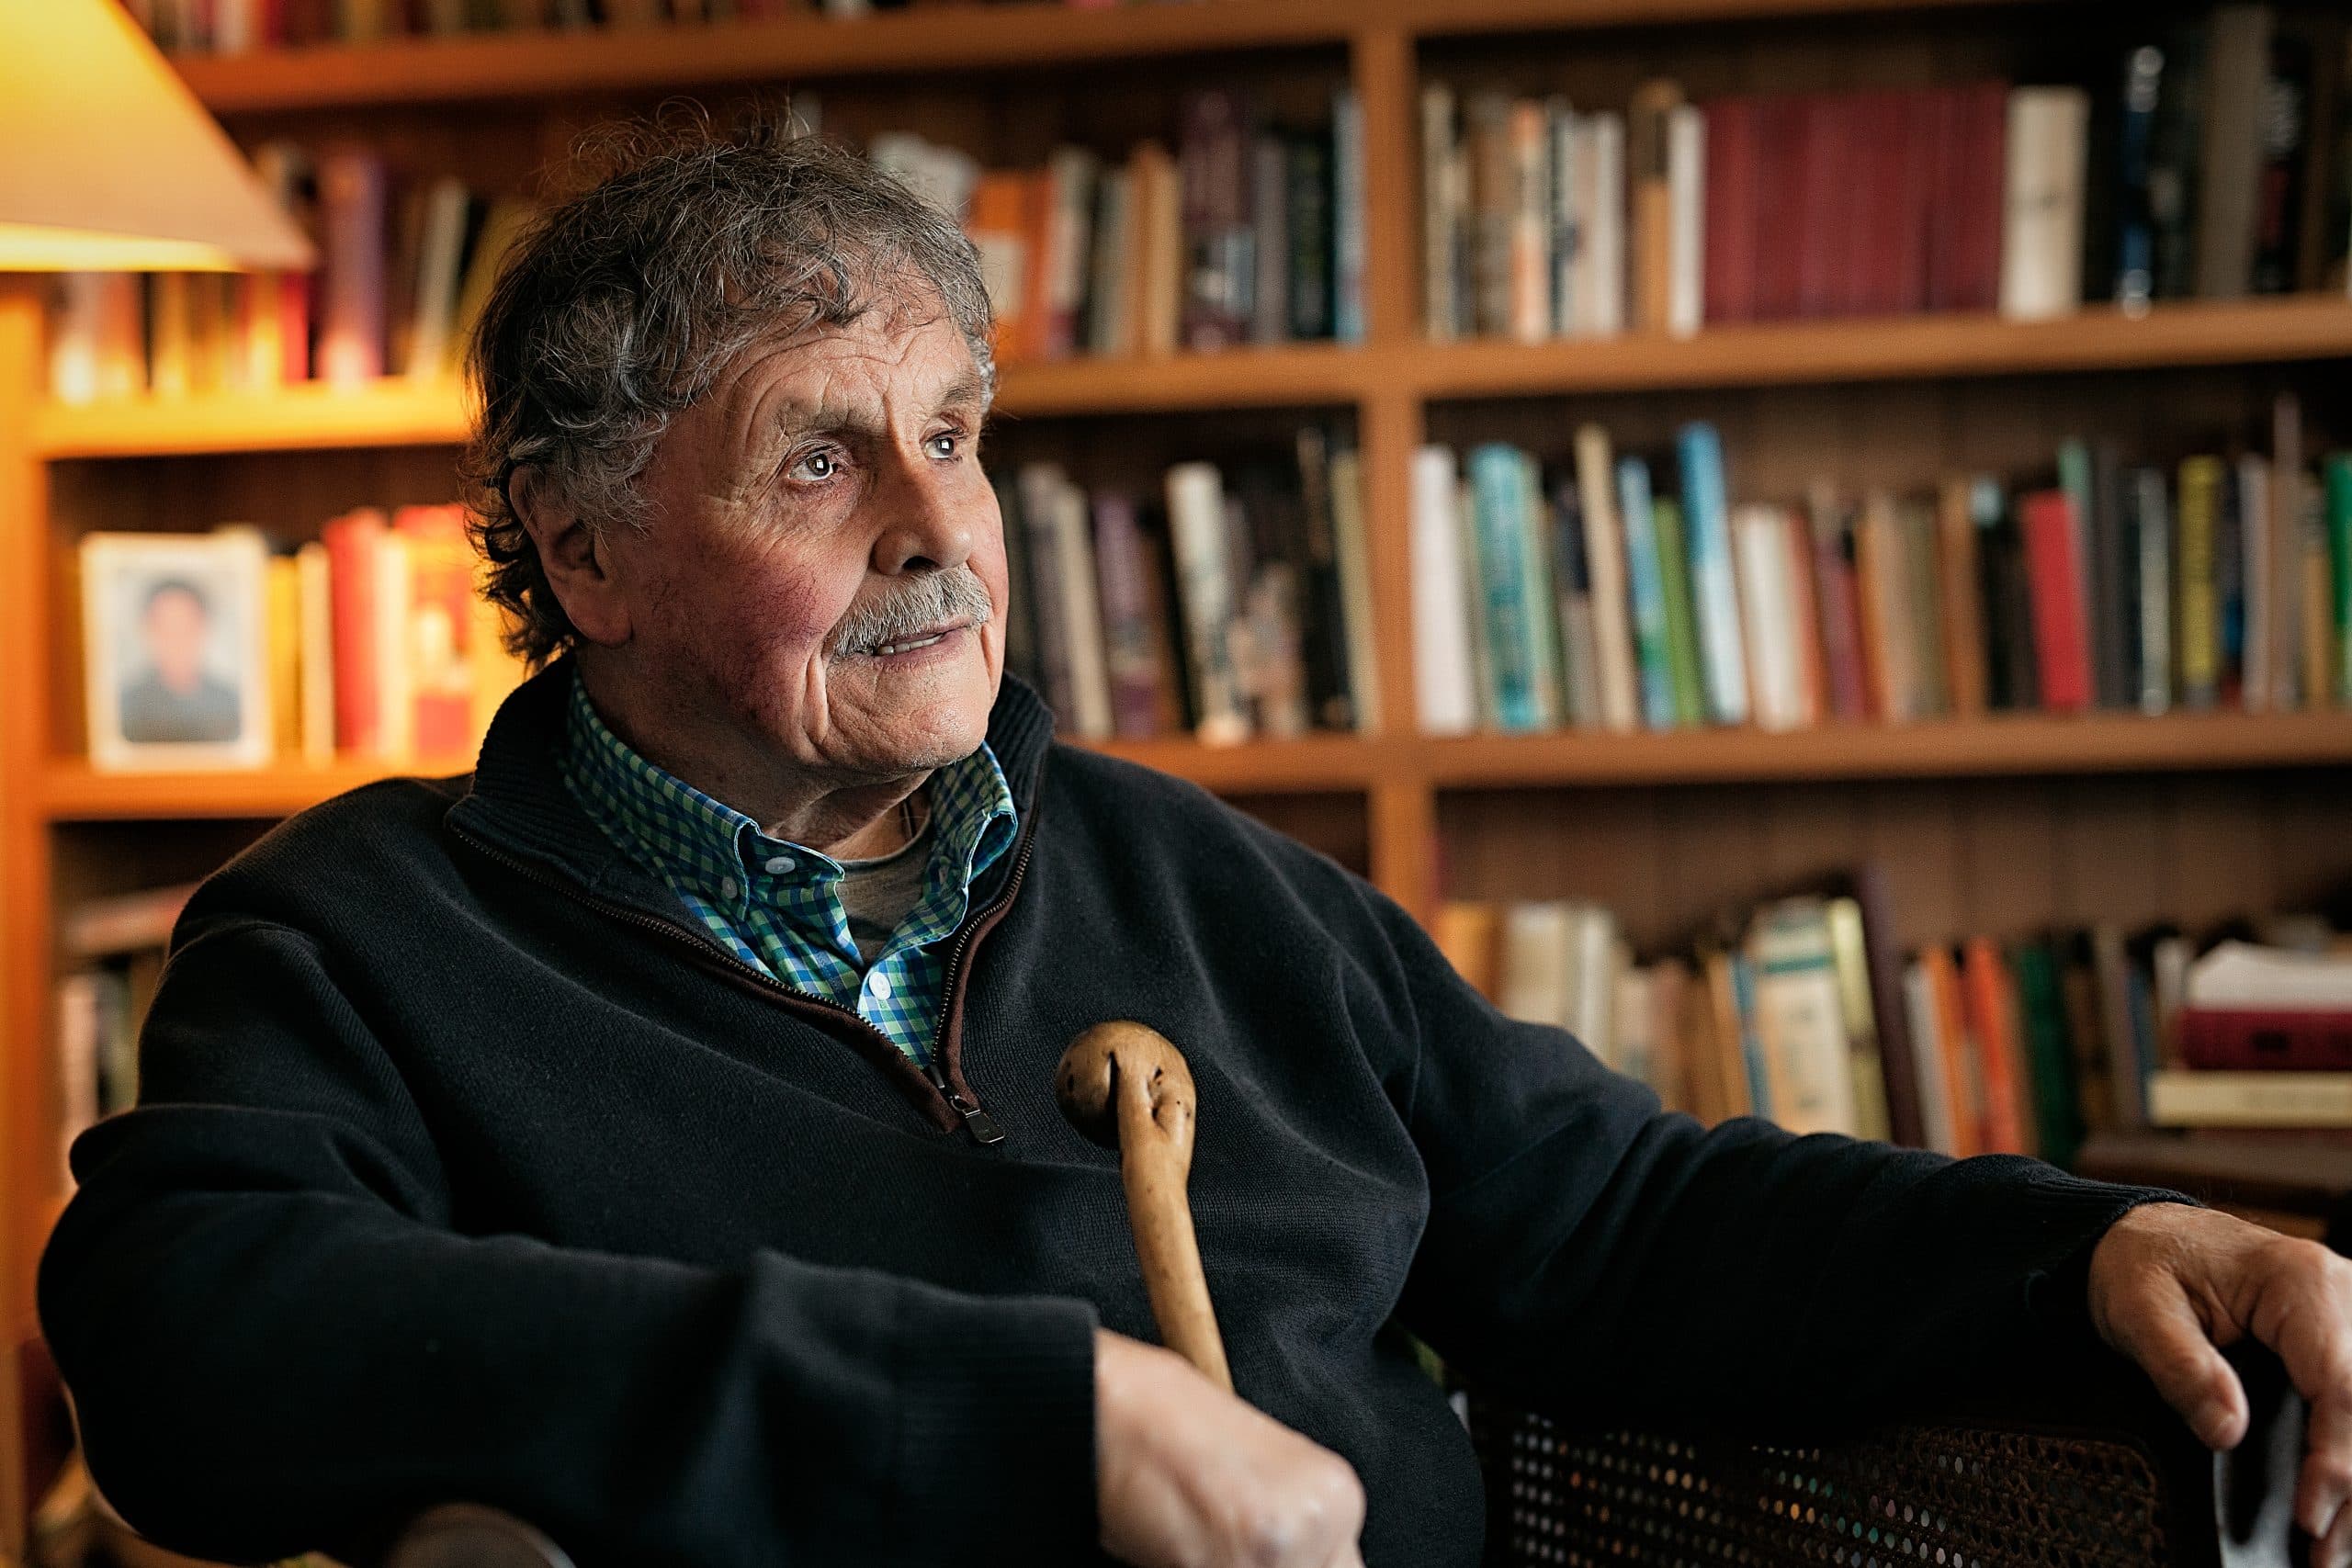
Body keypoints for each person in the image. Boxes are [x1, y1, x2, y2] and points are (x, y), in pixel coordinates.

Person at [39, 120, 2352, 1568]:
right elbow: (188, 1331)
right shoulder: (361, 935)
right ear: (587, 544)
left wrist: (2088, 1246)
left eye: (955, 430)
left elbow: (1622, 1215)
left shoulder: (1190, 876)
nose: (947, 526)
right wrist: (1001, 1415)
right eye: (821, 459)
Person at [116, 577, 241, 745]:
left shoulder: (229, 700)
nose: (176, 640)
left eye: (185, 626)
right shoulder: (127, 703)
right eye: (166, 628)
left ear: (204, 628)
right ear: (147, 631)